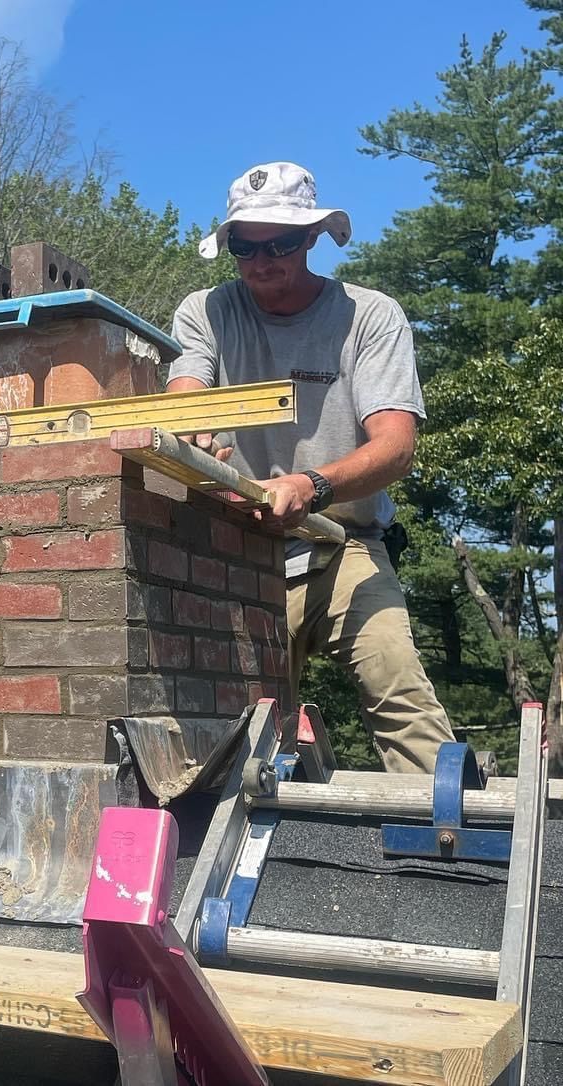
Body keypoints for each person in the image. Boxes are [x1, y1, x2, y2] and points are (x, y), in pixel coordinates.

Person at [166, 161, 454, 773]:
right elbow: (187, 395)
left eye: (282, 242)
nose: (263, 258)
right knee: (240, 722)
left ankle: (450, 832)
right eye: (246, 245)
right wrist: (193, 435)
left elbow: (396, 446)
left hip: (343, 541)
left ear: (315, 237)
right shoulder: (206, 310)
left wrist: (309, 485)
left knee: (395, 679)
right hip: (243, 547)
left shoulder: (369, 316)